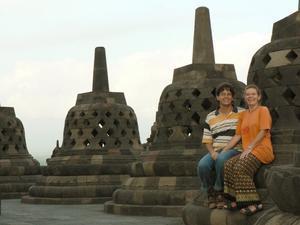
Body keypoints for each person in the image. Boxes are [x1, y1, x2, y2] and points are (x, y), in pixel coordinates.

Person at [222, 84, 274, 215]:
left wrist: (250, 147)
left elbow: (263, 131)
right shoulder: (243, 115)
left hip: (262, 149)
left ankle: (254, 203)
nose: (250, 97)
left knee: (240, 167)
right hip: (248, 151)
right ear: (244, 97)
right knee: (228, 164)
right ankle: (235, 199)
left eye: (253, 94)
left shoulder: (263, 110)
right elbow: (238, 135)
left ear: (259, 96)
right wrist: (224, 150)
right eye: (247, 94)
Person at [197, 82, 244, 209]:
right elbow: (207, 139)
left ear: (232, 97)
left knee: (222, 160)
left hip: (235, 149)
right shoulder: (210, 116)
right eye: (223, 94)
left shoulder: (242, 113)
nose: (226, 96)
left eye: (229, 94)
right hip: (216, 148)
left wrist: (224, 151)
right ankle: (209, 192)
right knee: (203, 165)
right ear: (217, 97)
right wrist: (212, 152)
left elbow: (242, 133)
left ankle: (219, 191)